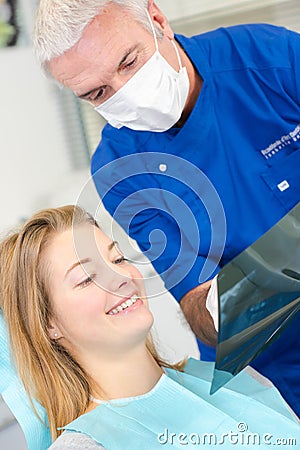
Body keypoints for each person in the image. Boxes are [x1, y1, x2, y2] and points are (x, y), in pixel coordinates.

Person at [32, 0, 300, 414]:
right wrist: (228, 304)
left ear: (158, 20)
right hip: (277, 375)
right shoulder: (120, 168)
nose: (127, 95)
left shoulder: (269, 58)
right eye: (97, 93)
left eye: (129, 62)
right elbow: (198, 309)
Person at [0, 204, 299, 450]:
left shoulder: (235, 380)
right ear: (48, 324)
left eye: (117, 258)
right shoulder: (85, 446)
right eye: (87, 278)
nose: (120, 277)